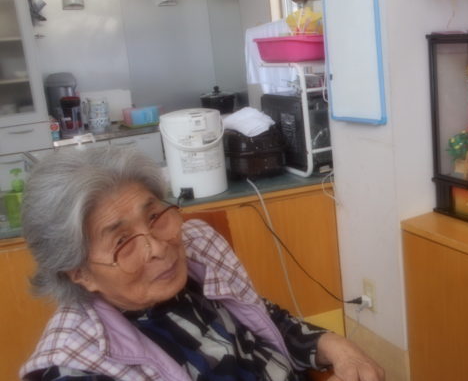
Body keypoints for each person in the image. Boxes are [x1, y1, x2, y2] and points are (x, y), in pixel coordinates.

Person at [19, 147, 384, 381]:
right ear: (79, 272)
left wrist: (334, 346)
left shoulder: (196, 253)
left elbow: (263, 319)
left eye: (154, 217)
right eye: (122, 242)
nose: (158, 248)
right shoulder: (75, 366)